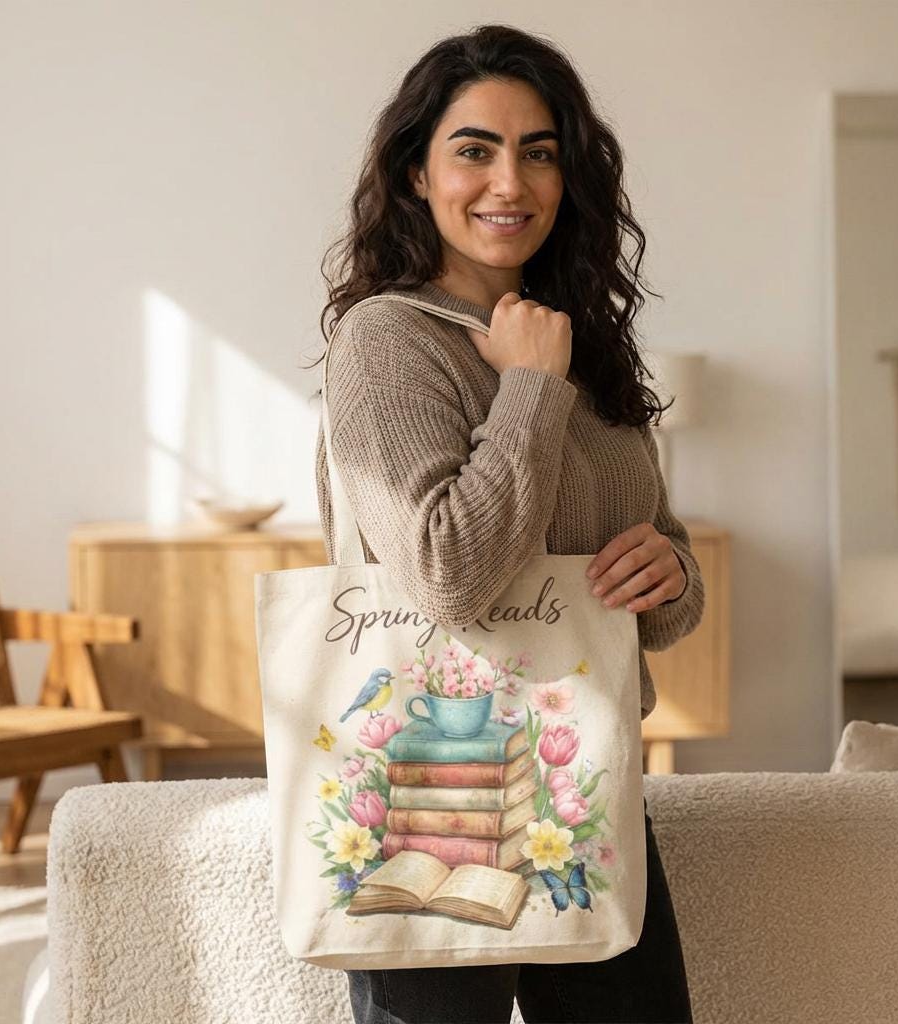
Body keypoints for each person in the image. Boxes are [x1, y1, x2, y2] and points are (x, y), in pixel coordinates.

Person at [312, 22, 704, 1024]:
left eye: (538, 152)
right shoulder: (386, 341)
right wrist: (528, 386)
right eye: (474, 150)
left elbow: (661, 585)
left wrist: (670, 571)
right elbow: (449, 572)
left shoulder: (582, 345)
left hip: (585, 785)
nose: (509, 183)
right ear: (415, 174)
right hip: (428, 800)